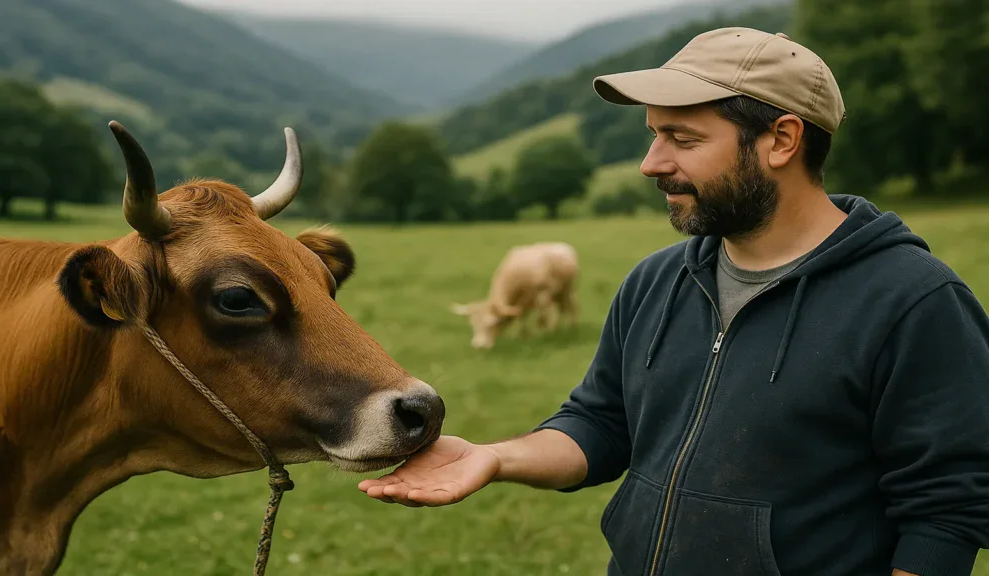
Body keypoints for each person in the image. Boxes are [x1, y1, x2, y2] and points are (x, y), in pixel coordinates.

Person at [358, 27, 989, 576]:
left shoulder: (914, 301)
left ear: (782, 140)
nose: (649, 163)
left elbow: (947, 511)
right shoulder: (655, 282)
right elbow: (602, 425)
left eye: (681, 139)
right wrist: (495, 457)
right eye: (653, 135)